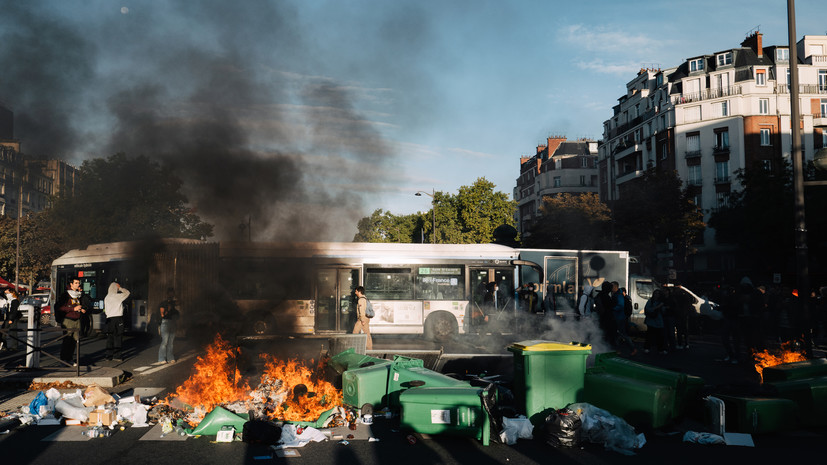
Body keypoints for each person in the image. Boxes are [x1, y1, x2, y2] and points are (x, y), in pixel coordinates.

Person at [56, 278, 92, 365]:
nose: (78, 285)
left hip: (77, 319)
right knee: (67, 340)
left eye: (79, 283)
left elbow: (87, 300)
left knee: (75, 341)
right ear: (71, 284)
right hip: (68, 320)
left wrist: (82, 309)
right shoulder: (66, 295)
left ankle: (70, 359)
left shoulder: (78, 295)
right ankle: (63, 359)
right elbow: (60, 307)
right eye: (76, 283)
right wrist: (73, 309)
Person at [103, 281, 130, 361]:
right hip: (118, 318)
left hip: (109, 319)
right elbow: (128, 293)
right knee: (118, 337)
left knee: (110, 337)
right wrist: (120, 288)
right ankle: (117, 356)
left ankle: (108, 356)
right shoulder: (117, 296)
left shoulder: (106, 297)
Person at [612, 282, 637, 356]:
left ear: (615, 287)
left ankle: (632, 349)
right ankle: (618, 349)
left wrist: (612, 309)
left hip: (619, 317)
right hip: (620, 317)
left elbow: (620, 306)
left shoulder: (619, 295)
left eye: (612, 286)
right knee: (619, 334)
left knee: (622, 334)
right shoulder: (618, 294)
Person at [158, 288, 180, 364]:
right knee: (165, 341)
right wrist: (168, 310)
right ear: (167, 294)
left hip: (173, 323)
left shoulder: (173, 303)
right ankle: (161, 359)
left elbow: (179, 302)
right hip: (165, 323)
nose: (171, 295)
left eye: (172, 294)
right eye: (170, 294)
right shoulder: (163, 303)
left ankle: (170, 358)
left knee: (171, 342)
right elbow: (162, 315)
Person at [643, 289, 667, 354]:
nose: (657, 295)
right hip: (652, 320)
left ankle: (659, 349)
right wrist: (658, 307)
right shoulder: (651, 301)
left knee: (659, 336)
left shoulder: (656, 302)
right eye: (656, 294)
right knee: (650, 335)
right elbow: (647, 309)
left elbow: (663, 311)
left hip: (657, 320)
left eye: (658, 294)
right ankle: (648, 347)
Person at [352, 286, 373, 350]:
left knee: (355, 332)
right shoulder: (365, 299)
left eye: (356, 291)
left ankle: (353, 348)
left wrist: (362, 320)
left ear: (359, 291)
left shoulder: (361, 300)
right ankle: (370, 349)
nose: (355, 293)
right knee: (367, 334)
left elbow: (361, 311)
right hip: (366, 318)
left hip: (362, 319)